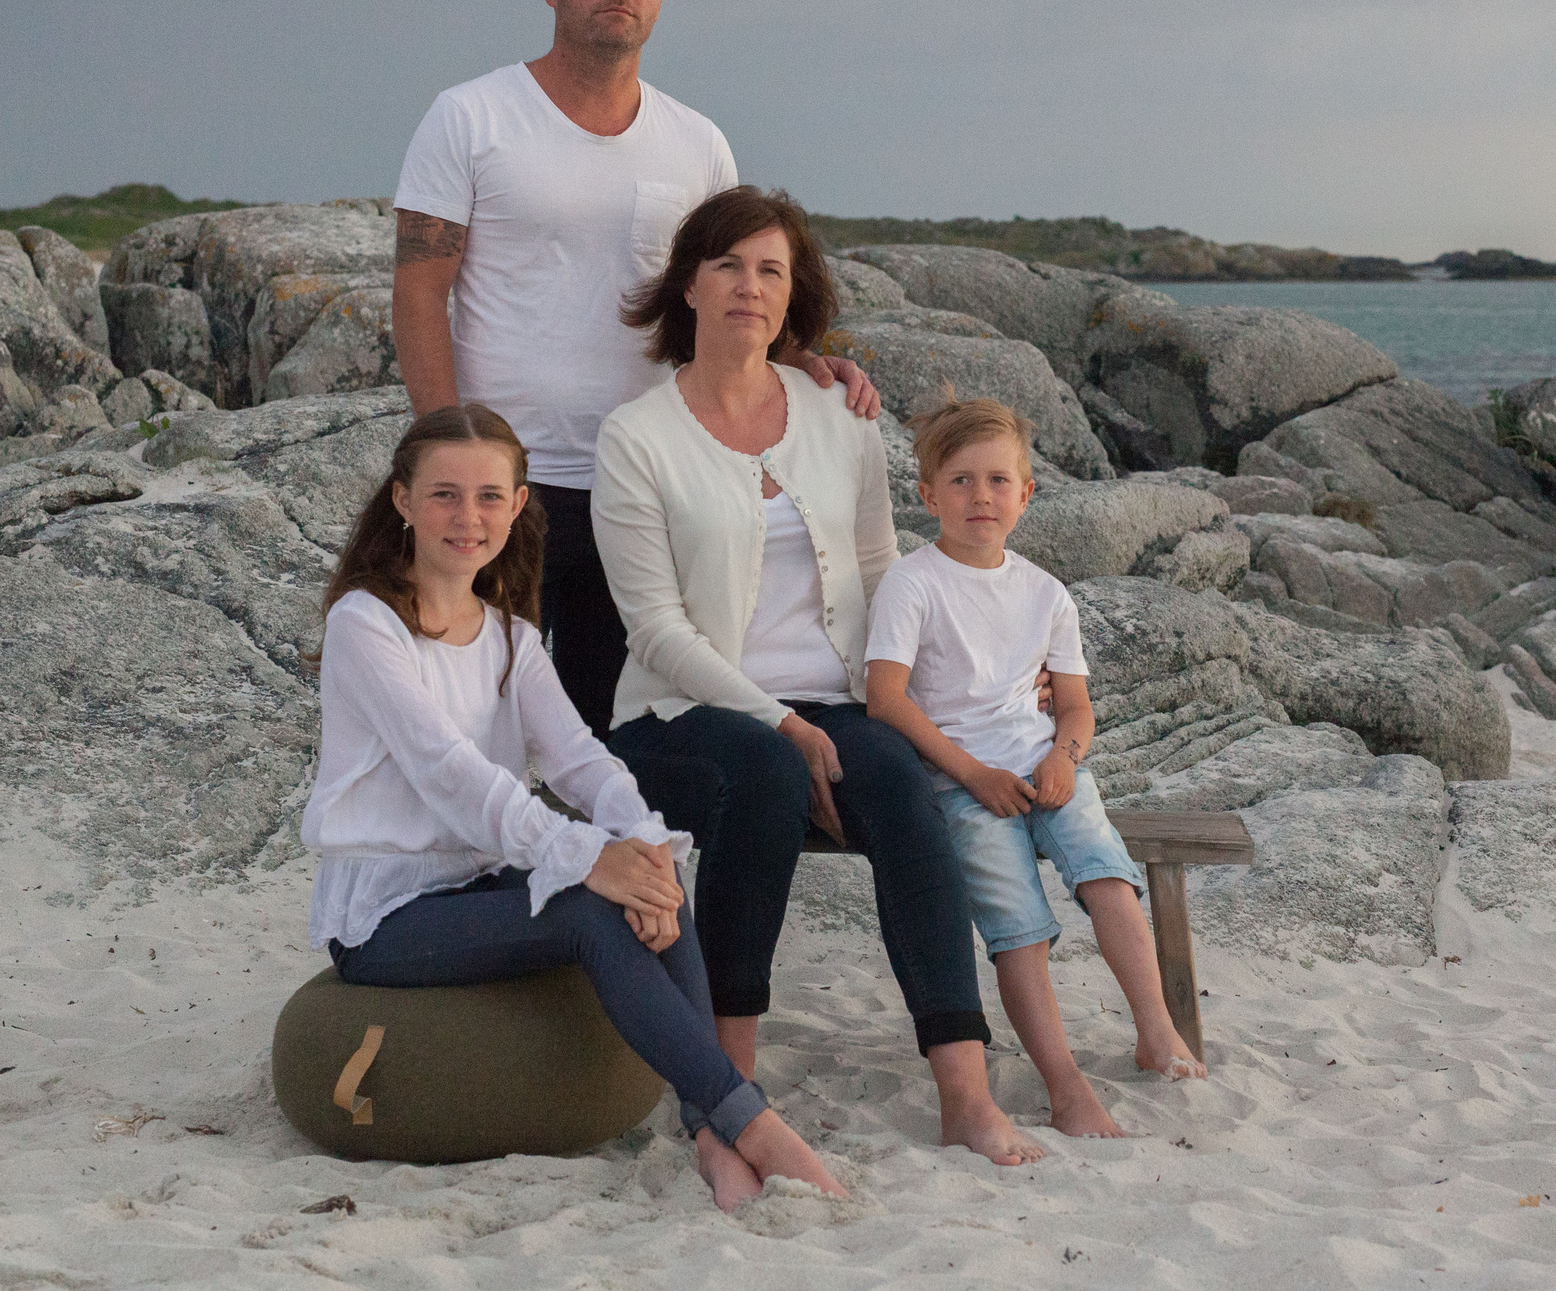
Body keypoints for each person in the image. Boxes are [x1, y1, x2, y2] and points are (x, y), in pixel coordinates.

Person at [591, 185, 1046, 1166]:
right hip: (682, 711)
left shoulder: (838, 414)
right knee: (762, 771)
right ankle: (726, 1091)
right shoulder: (637, 437)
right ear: (690, 285)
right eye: (727, 265)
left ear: (793, 295)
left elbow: (887, 573)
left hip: (837, 700)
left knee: (896, 785)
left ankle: (965, 1094)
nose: (748, 287)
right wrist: (778, 724)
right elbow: (656, 631)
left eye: (770, 270)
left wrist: (959, 689)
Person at [301, 402, 845, 1211]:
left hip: (478, 887)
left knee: (655, 875)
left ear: (519, 507)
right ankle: (750, 1125)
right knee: (594, 907)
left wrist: (638, 840)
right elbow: (449, 774)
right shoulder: (366, 624)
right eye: (444, 495)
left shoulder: (507, 633)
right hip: (387, 914)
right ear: (403, 502)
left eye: (489, 497)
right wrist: (593, 858)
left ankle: (711, 1128)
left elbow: (582, 757)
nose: (467, 517)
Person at [391, 0, 876, 734]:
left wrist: (806, 358)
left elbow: (734, 280)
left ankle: (616, 863)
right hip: (509, 479)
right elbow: (418, 291)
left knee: (619, 730)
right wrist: (451, 452)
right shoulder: (471, 117)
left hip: (651, 476)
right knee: (465, 714)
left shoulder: (698, 143)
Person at [863, 396, 1207, 1138]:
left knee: (1105, 870)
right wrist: (971, 774)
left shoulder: (1045, 593)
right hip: (961, 784)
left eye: (996, 480)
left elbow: (1076, 708)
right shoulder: (912, 583)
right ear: (927, 495)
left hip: (1047, 766)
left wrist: (1064, 758)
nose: (979, 497)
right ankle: (1065, 1084)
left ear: (1026, 493)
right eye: (959, 481)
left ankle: (1155, 1030)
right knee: (1018, 925)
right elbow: (885, 699)